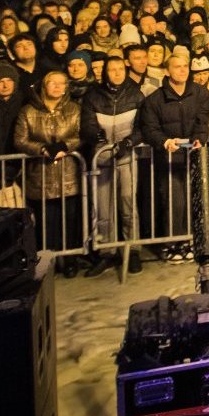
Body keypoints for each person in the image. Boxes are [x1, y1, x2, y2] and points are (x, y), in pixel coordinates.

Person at [137, 51, 209, 263]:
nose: (182, 70)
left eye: (185, 66)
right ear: (167, 71)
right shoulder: (154, 100)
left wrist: (199, 138)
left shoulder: (199, 93)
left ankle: (188, 240)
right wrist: (163, 141)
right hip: (169, 158)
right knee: (173, 201)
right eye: (177, 66)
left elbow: (202, 120)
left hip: (192, 155)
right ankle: (172, 243)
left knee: (193, 200)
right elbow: (149, 128)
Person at [13, 69, 87, 274]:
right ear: (44, 86)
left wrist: (65, 146)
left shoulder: (74, 109)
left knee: (69, 221)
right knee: (46, 222)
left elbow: (81, 134)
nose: (57, 87)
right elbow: (20, 140)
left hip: (68, 174)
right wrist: (41, 149)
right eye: (52, 83)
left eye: (61, 83)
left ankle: (69, 260)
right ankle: (47, 262)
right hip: (40, 175)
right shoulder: (28, 111)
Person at [80, 54, 146, 276]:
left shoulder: (136, 94)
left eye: (120, 69)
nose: (117, 73)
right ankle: (106, 252)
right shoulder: (93, 96)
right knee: (102, 208)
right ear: (105, 72)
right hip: (102, 158)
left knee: (128, 204)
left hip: (126, 157)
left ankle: (132, 249)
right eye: (112, 70)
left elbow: (142, 126)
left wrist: (129, 142)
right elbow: (86, 126)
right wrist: (98, 139)